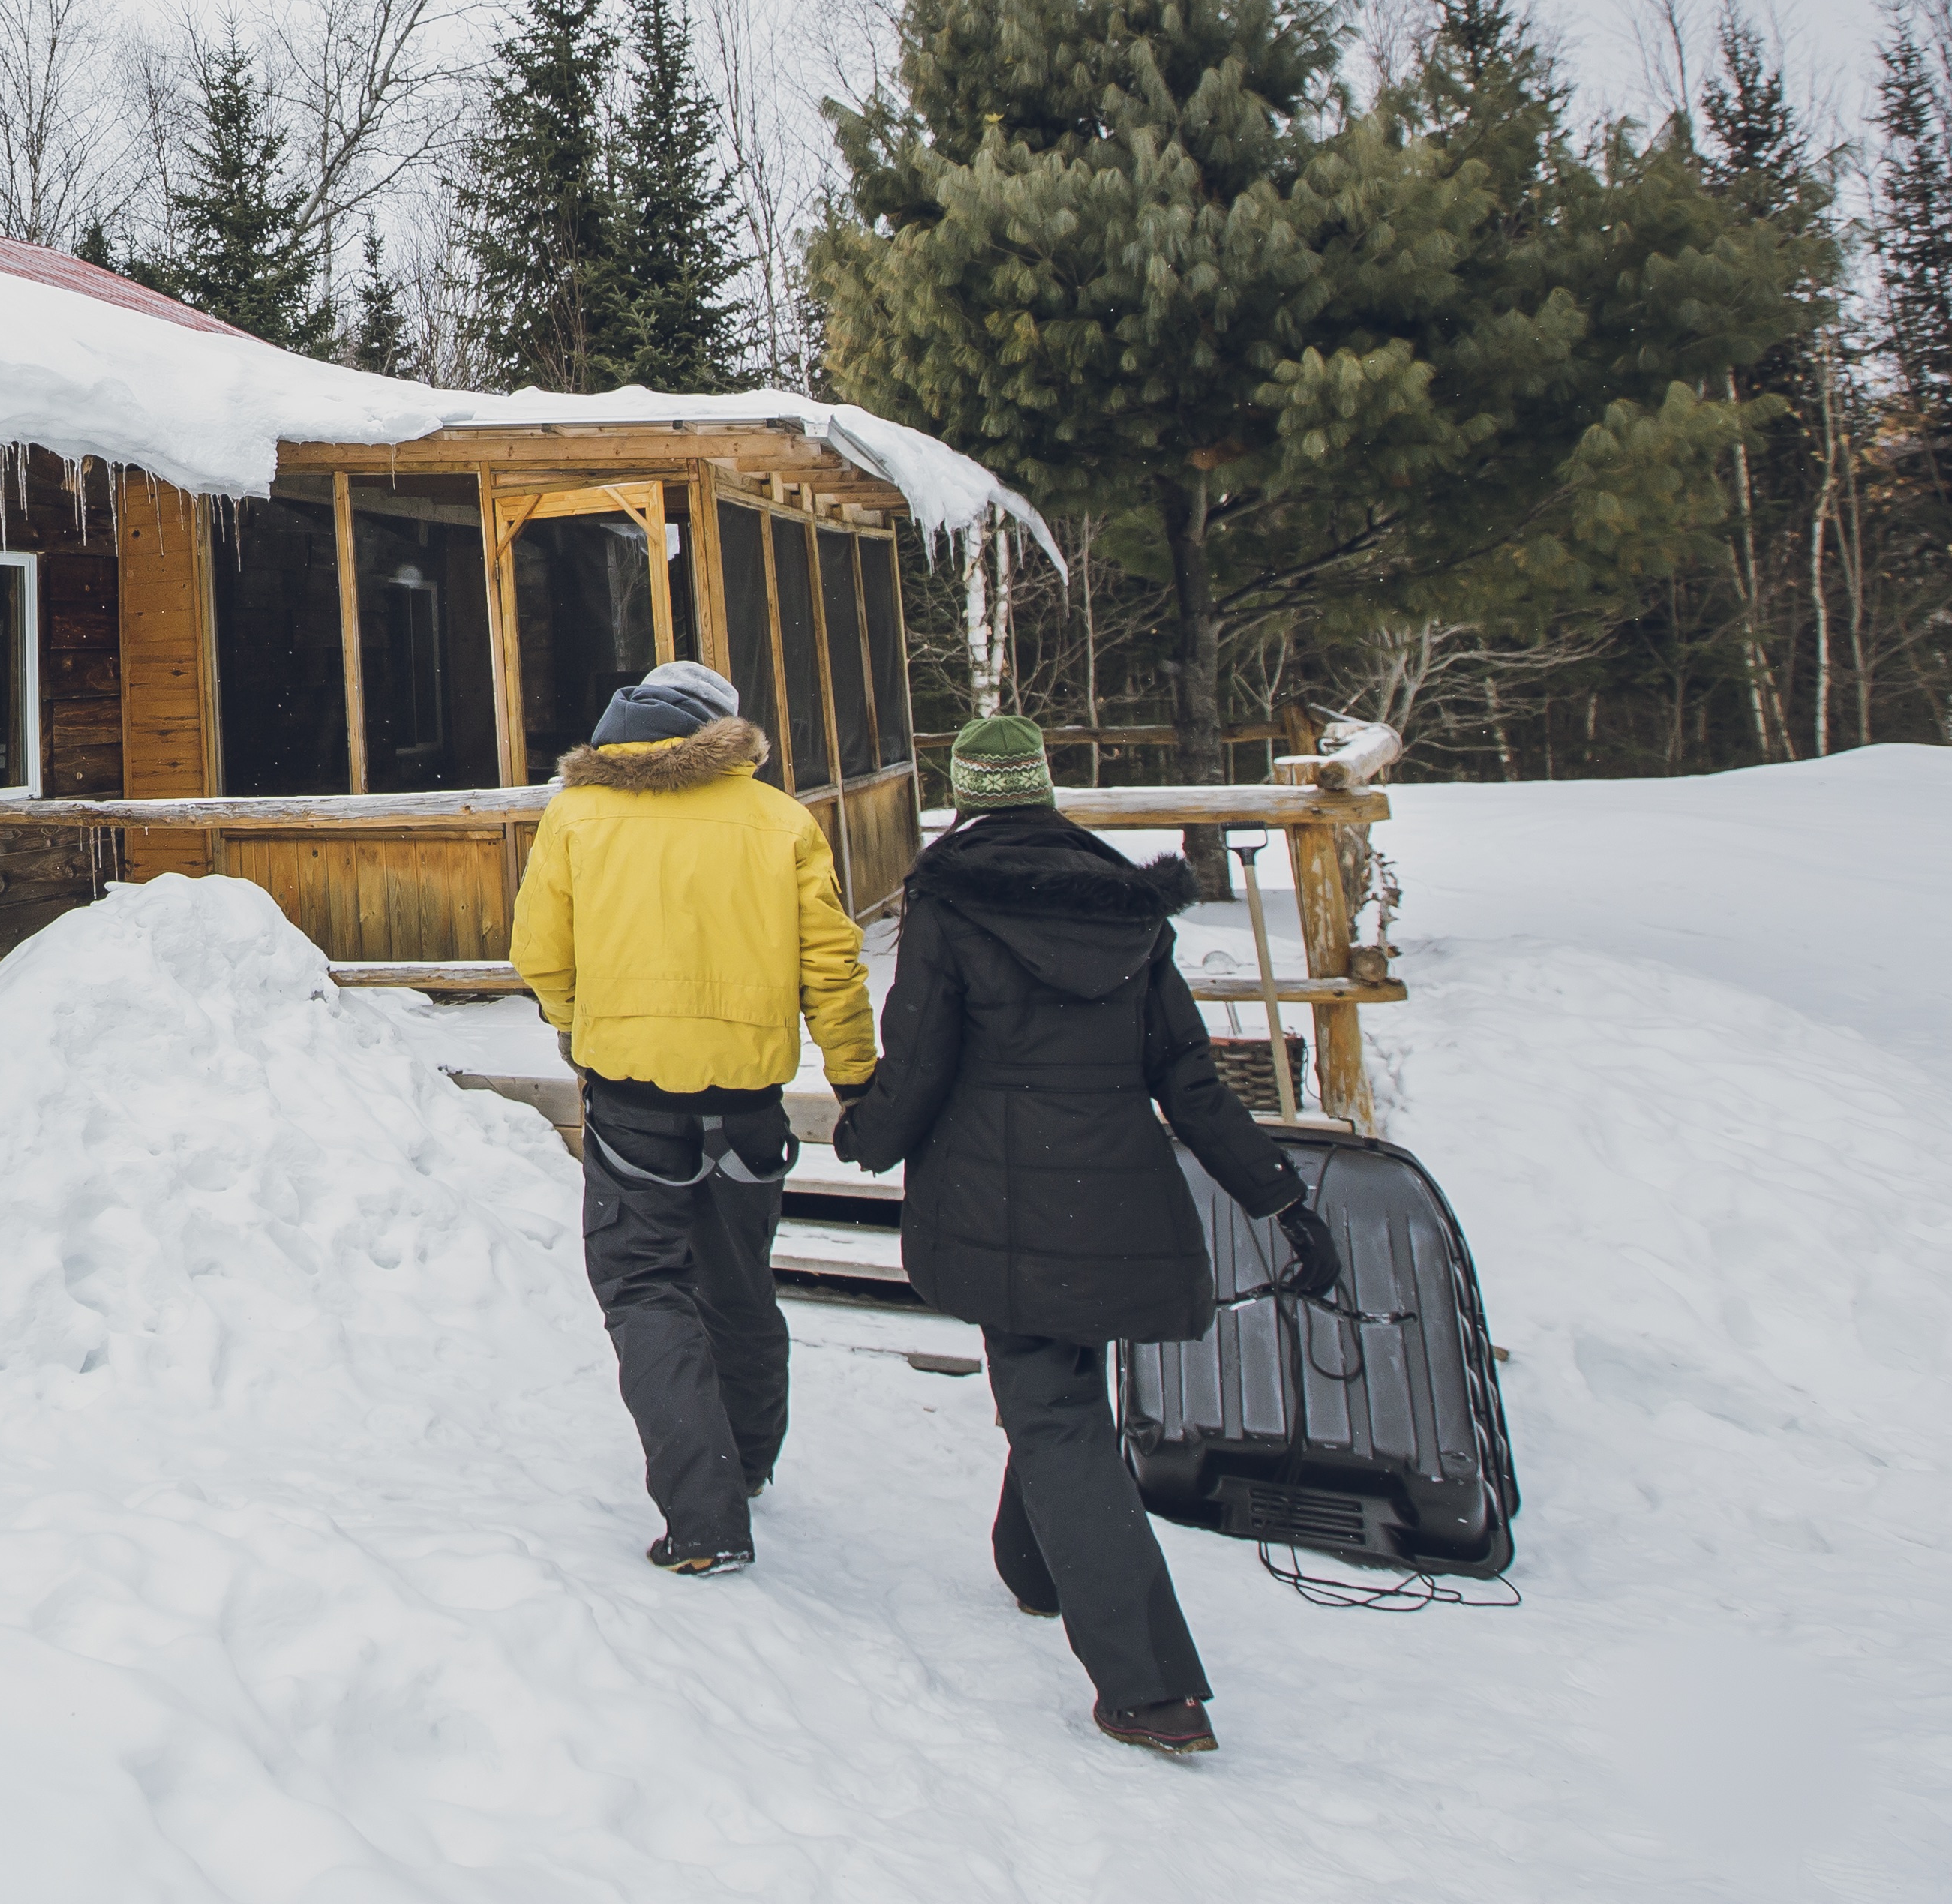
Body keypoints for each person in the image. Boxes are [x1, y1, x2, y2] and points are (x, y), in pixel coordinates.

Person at [833, 713, 1338, 1758]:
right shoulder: (1126, 909)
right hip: (1108, 1199)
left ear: (967, 798)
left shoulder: (950, 902)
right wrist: (1279, 1195)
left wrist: (865, 1133)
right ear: (1044, 791)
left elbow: (918, 1059)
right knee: (1063, 1388)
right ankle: (1034, 1567)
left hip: (998, 1202)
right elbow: (1189, 1079)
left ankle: (1150, 1688)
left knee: (1053, 1412)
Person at [509, 657, 881, 1580]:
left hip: (632, 1098)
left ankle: (703, 1513)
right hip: (747, 1101)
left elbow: (537, 950)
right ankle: (748, 1461)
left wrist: (573, 1023)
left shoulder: (578, 814)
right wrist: (858, 1080)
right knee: (740, 1282)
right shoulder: (779, 820)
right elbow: (833, 963)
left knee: (644, 1289)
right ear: (723, 731)